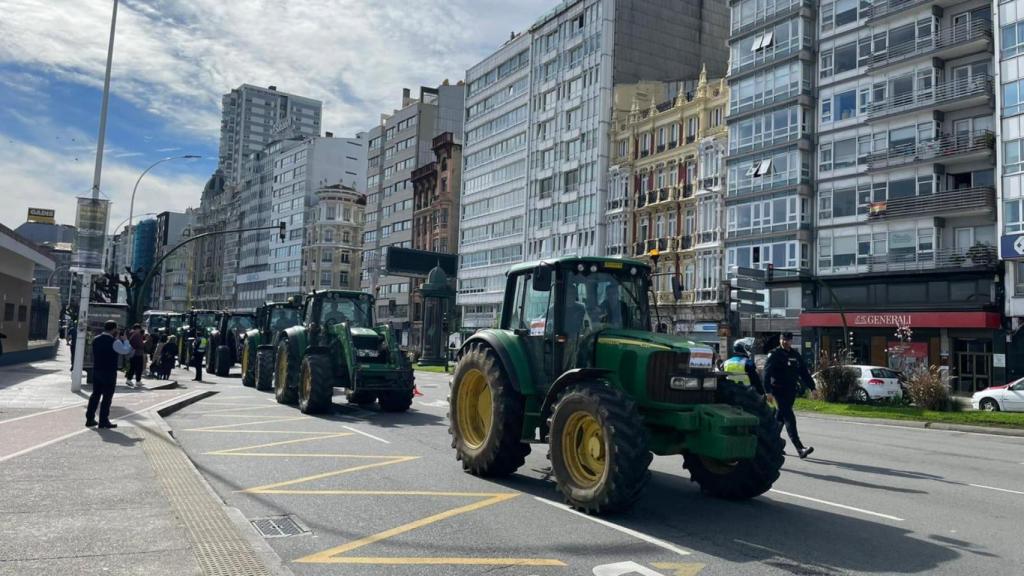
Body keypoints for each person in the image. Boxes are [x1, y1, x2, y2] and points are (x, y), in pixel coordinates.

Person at [764, 332, 817, 459]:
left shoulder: (795, 355)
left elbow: (804, 372)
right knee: (789, 417)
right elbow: (766, 373)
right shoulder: (774, 354)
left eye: (787, 340)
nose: (785, 342)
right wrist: (768, 391)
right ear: (780, 340)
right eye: (782, 340)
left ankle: (771, 445)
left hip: (790, 392)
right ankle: (800, 448)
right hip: (778, 391)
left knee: (779, 420)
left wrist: (812, 388)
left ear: (791, 341)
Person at [85, 321, 133, 429]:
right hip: (109, 372)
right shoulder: (115, 342)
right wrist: (125, 340)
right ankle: (103, 420)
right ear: (114, 329)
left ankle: (89, 418)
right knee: (107, 397)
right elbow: (125, 351)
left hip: (97, 370)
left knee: (95, 395)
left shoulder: (96, 339)